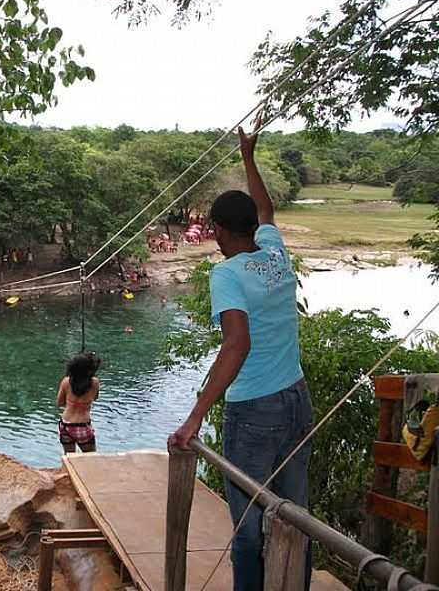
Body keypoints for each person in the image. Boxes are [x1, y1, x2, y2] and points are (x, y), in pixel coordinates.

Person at [168, 127, 311, 591]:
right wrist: (248, 156)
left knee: (248, 528)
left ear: (218, 231)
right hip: (296, 398)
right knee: (296, 517)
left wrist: (194, 418)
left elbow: (236, 344)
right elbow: (265, 208)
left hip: (254, 410)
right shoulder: (274, 252)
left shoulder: (225, 274)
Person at [56, 352, 101, 453]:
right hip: (82, 425)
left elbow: (59, 403)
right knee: (90, 458)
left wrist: (71, 402)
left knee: (69, 458)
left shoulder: (66, 381)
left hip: (66, 425)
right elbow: (95, 397)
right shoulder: (95, 382)